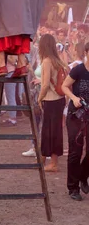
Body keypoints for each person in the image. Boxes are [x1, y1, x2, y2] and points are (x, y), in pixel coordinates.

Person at [62, 42, 89, 201]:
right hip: (75, 115)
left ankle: (82, 176)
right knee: (75, 151)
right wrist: (74, 98)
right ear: (86, 52)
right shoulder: (78, 69)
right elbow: (65, 86)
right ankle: (73, 188)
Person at [37, 34, 67, 173]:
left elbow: (45, 85)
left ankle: (52, 163)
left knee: (48, 131)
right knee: (54, 131)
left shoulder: (47, 62)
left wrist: (39, 98)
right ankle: (45, 160)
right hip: (59, 100)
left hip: (50, 99)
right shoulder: (57, 60)